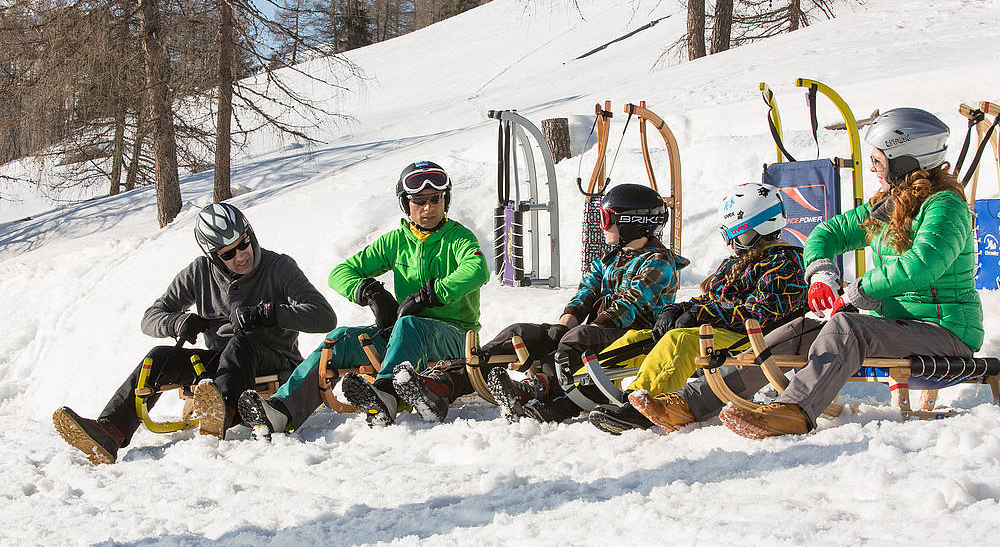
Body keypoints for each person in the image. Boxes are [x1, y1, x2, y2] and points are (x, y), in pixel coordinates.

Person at [639, 108, 983, 439]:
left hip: (946, 333)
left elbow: (922, 266)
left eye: (879, 160)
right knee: (806, 326)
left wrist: (857, 291)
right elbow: (827, 233)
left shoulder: (946, 207)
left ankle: (794, 409)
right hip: (903, 328)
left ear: (906, 159)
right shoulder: (893, 204)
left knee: (849, 325)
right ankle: (693, 402)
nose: (875, 168)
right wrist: (821, 273)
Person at [52, 203, 337, 464]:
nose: (241, 256)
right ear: (213, 257)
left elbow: (324, 316)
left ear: (250, 234)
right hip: (220, 364)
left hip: (274, 358)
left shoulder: (279, 267)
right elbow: (150, 317)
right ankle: (110, 431)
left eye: (244, 243)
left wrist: (267, 313)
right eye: (228, 254)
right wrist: (178, 322)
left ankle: (222, 410)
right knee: (161, 357)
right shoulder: (199, 272)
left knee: (241, 342)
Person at [392, 183, 688, 424]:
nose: (602, 226)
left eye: (607, 219)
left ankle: (538, 389)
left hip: (638, 337)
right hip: (599, 331)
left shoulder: (659, 262)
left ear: (632, 223)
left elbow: (627, 306)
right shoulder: (611, 257)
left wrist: (575, 333)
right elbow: (584, 294)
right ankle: (443, 384)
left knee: (577, 338)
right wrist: (562, 326)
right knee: (519, 332)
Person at [238, 161, 490, 436]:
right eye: (418, 201)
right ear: (406, 204)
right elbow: (340, 272)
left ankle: (386, 394)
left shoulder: (459, 238)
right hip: (405, 338)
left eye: (435, 199)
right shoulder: (395, 242)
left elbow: (477, 270)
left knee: (408, 325)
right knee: (340, 339)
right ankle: (282, 410)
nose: (428, 208)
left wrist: (432, 294)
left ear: (446, 200)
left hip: (456, 337)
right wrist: (369, 292)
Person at [587, 183, 807, 435]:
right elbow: (711, 299)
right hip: (728, 331)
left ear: (756, 230)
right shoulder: (736, 263)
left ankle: (638, 404)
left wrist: (700, 315)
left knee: (681, 340)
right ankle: (583, 388)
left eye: (735, 236)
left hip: (757, 337)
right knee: (640, 337)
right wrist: (680, 309)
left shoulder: (785, 263)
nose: (731, 245)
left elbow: (761, 313)